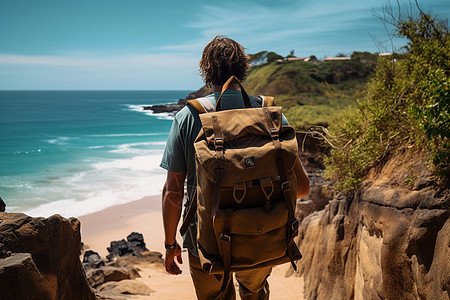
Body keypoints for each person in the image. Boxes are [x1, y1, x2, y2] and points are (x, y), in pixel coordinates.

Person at [160, 36, 310, 300]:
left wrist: (170, 244)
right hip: (263, 235)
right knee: (255, 293)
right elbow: (303, 187)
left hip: (205, 241)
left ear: (206, 70)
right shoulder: (269, 114)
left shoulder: (188, 116)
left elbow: (172, 192)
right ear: (243, 69)